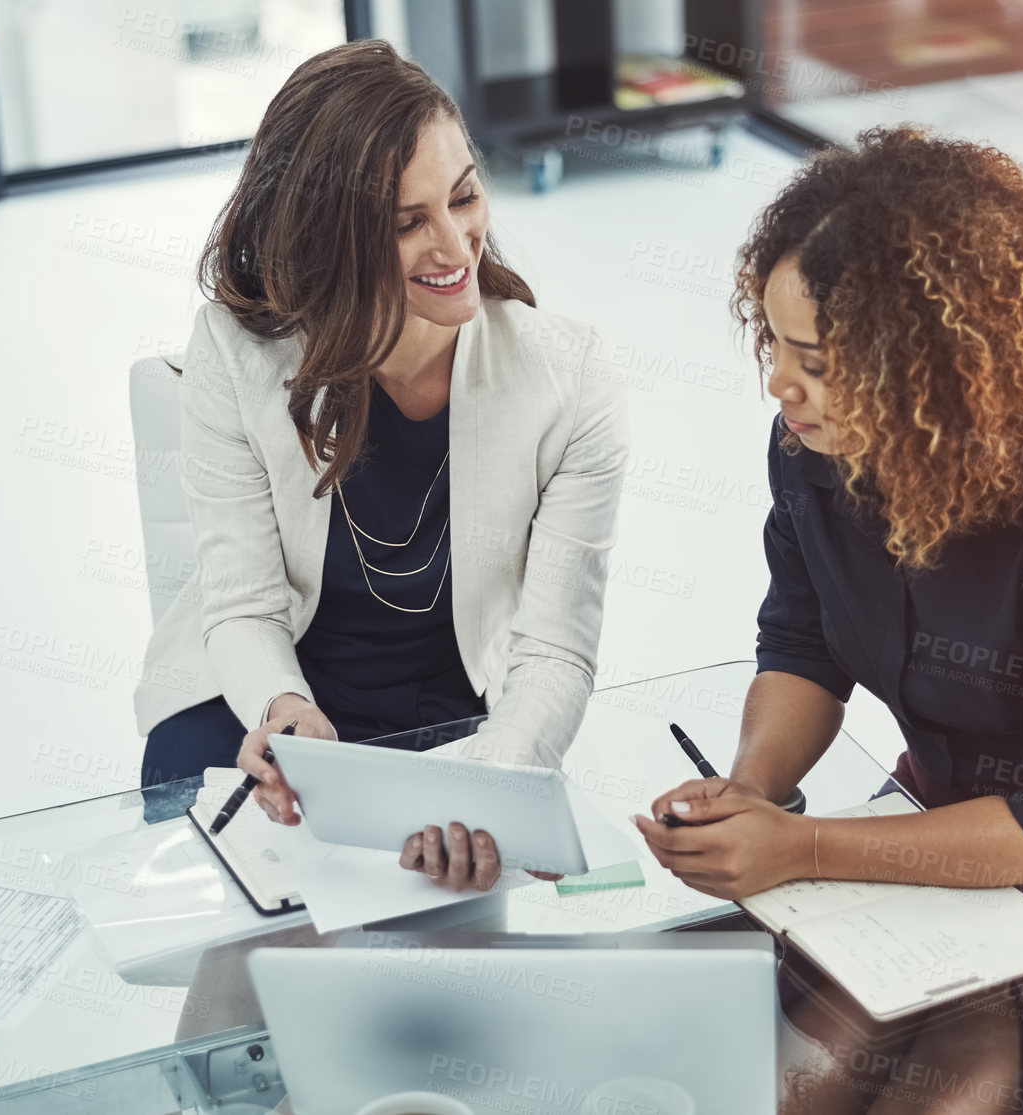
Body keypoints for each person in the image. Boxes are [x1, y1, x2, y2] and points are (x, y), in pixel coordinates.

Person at [632, 128, 1023, 1111]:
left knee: (934, 1097)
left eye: (812, 357)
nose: (778, 383)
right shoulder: (814, 448)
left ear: (927, 366)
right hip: (949, 813)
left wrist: (801, 847)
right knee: (793, 1075)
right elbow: (802, 643)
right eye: (773, 344)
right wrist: (749, 794)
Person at [134, 41, 627, 892]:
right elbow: (243, 603)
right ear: (331, 243)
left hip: (451, 720)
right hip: (271, 696)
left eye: (464, 194)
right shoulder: (237, 354)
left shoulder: (570, 379)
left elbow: (555, 654)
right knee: (249, 928)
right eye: (407, 222)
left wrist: (495, 784)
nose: (455, 243)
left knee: (435, 948)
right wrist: (284, 713)